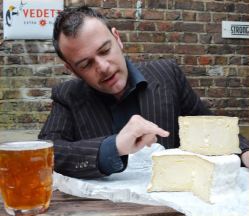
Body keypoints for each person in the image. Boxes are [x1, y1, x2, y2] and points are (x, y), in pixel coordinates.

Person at [38, 5, 249, 179]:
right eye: (85, 64)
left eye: (105, 50)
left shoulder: (168, 75)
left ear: (117, 39)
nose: (103, 67)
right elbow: (46, 153)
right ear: (72, 70)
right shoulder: (67, 95)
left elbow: (209, 126)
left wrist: (244, 152)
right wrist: (114, 147)